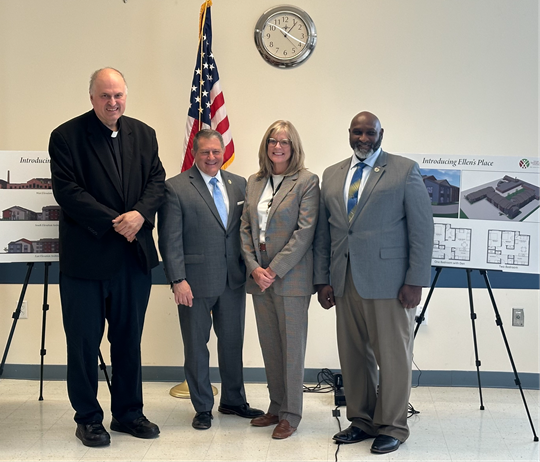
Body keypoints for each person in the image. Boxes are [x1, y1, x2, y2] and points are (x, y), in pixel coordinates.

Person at [48, 67, 165, 447]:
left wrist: (140, 215)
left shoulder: (144, 134)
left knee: (128, 340)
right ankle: (88, 418)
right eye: (105, 96)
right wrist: (117, 222)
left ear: (126, 95)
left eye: (118, 95)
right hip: (87, 260)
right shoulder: (66, 137)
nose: (113, 102)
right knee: (83, 344)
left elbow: (157, 181)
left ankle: (129, 413)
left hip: (133, 259)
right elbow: (68, 192)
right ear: (92, 98)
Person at [313, 111, 433, 455]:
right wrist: (323, 279)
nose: (363, 138)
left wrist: (415, 280)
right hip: (344, 281)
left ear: (381, 134)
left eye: (370, 132)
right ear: (349, 133)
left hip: (391, 283)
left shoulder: (404, 170)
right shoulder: (332, 175)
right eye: (357, 132)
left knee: (393, 357)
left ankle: (393, 425)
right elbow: (327, 232)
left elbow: (422, 230)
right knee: (353, 356)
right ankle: (362, 420)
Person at [157, 129, 264, 430]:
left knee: (232, 344)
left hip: (233, 280)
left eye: (216, 151)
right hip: (195, 282)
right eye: (205, 152)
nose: (212, 157)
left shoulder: (239, 184)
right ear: (195, 152)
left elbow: (244, 232)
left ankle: (233, 400)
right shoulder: (176, 188)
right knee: (196, 346)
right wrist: (178, 279)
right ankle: (203, 406)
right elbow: (169, 239)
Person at [240, 120, 319, 440]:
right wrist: (254, 268)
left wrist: (274, 269)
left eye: (284, 141)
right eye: (272, 141)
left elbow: (305, 232)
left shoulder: (306, 181)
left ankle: (292, 413)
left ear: (293, 146)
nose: (277, 146)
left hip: (291, 278)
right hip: (259, 278)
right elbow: (245, 229)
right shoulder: (254, 181)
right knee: (270, 346)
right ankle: (275, 406)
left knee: (292, 349)